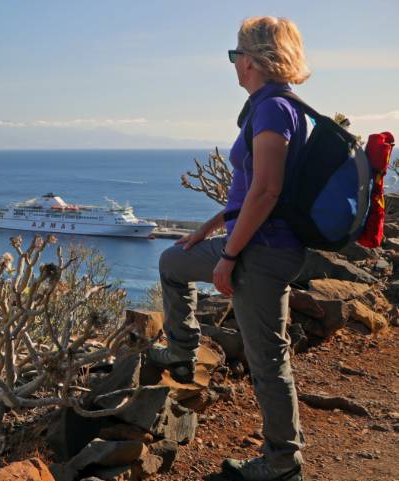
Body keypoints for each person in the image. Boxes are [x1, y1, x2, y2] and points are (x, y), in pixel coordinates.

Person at [151, 16, 311, 481]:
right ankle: (182, 352)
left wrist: (228, 256)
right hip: (263, 243)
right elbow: (251, 194)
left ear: (255, 59)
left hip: (261, 251)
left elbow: (266, 191)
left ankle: (283, 464)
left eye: (234, 54)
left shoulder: (273, 110)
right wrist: (210, 226)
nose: (234, 65)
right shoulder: (281, 107)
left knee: (268, 361)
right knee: (174, 261)